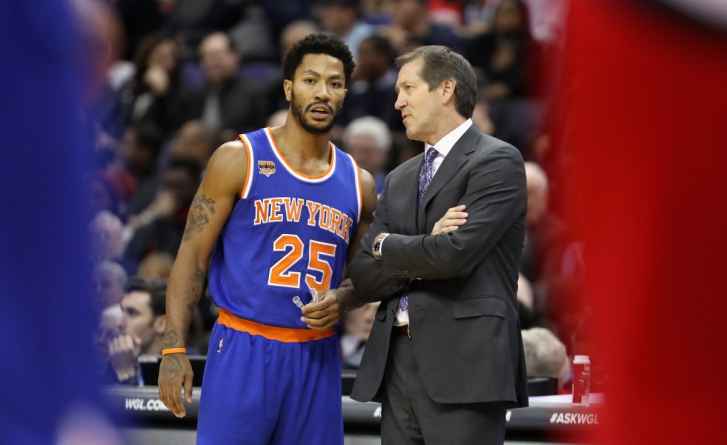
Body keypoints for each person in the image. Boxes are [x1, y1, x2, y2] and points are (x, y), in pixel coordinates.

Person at [157, 33, 377, 445]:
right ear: (289, 87)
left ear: (345, 92)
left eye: (334, 83)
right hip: (243, 347)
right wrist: (173, 348)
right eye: (311, 80)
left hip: (316, 356)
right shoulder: (239, 158)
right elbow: (191, 257)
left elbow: (364, 274)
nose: (322, 93)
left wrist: (344, 298)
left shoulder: (358, 183)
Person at [345, 45, 529, 445]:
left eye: (408, 88)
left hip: (465, 364)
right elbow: (362, 274)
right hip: (396, 363)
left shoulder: (497, 161)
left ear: (445, 89)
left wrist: (386, 246)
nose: (398, 102)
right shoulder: (399, 177)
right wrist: (423, 244)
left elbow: (453, 256)